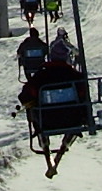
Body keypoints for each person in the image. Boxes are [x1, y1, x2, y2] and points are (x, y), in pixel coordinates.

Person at [18, 35, 89, 177]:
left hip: (46, 120)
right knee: (79, 109)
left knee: (34, 110)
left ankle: (44, 143)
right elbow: (84, 96)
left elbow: (25, 96)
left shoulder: (40, 77)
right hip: (72, 119)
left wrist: (32, 101)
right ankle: (65, 144)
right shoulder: (75, 76)